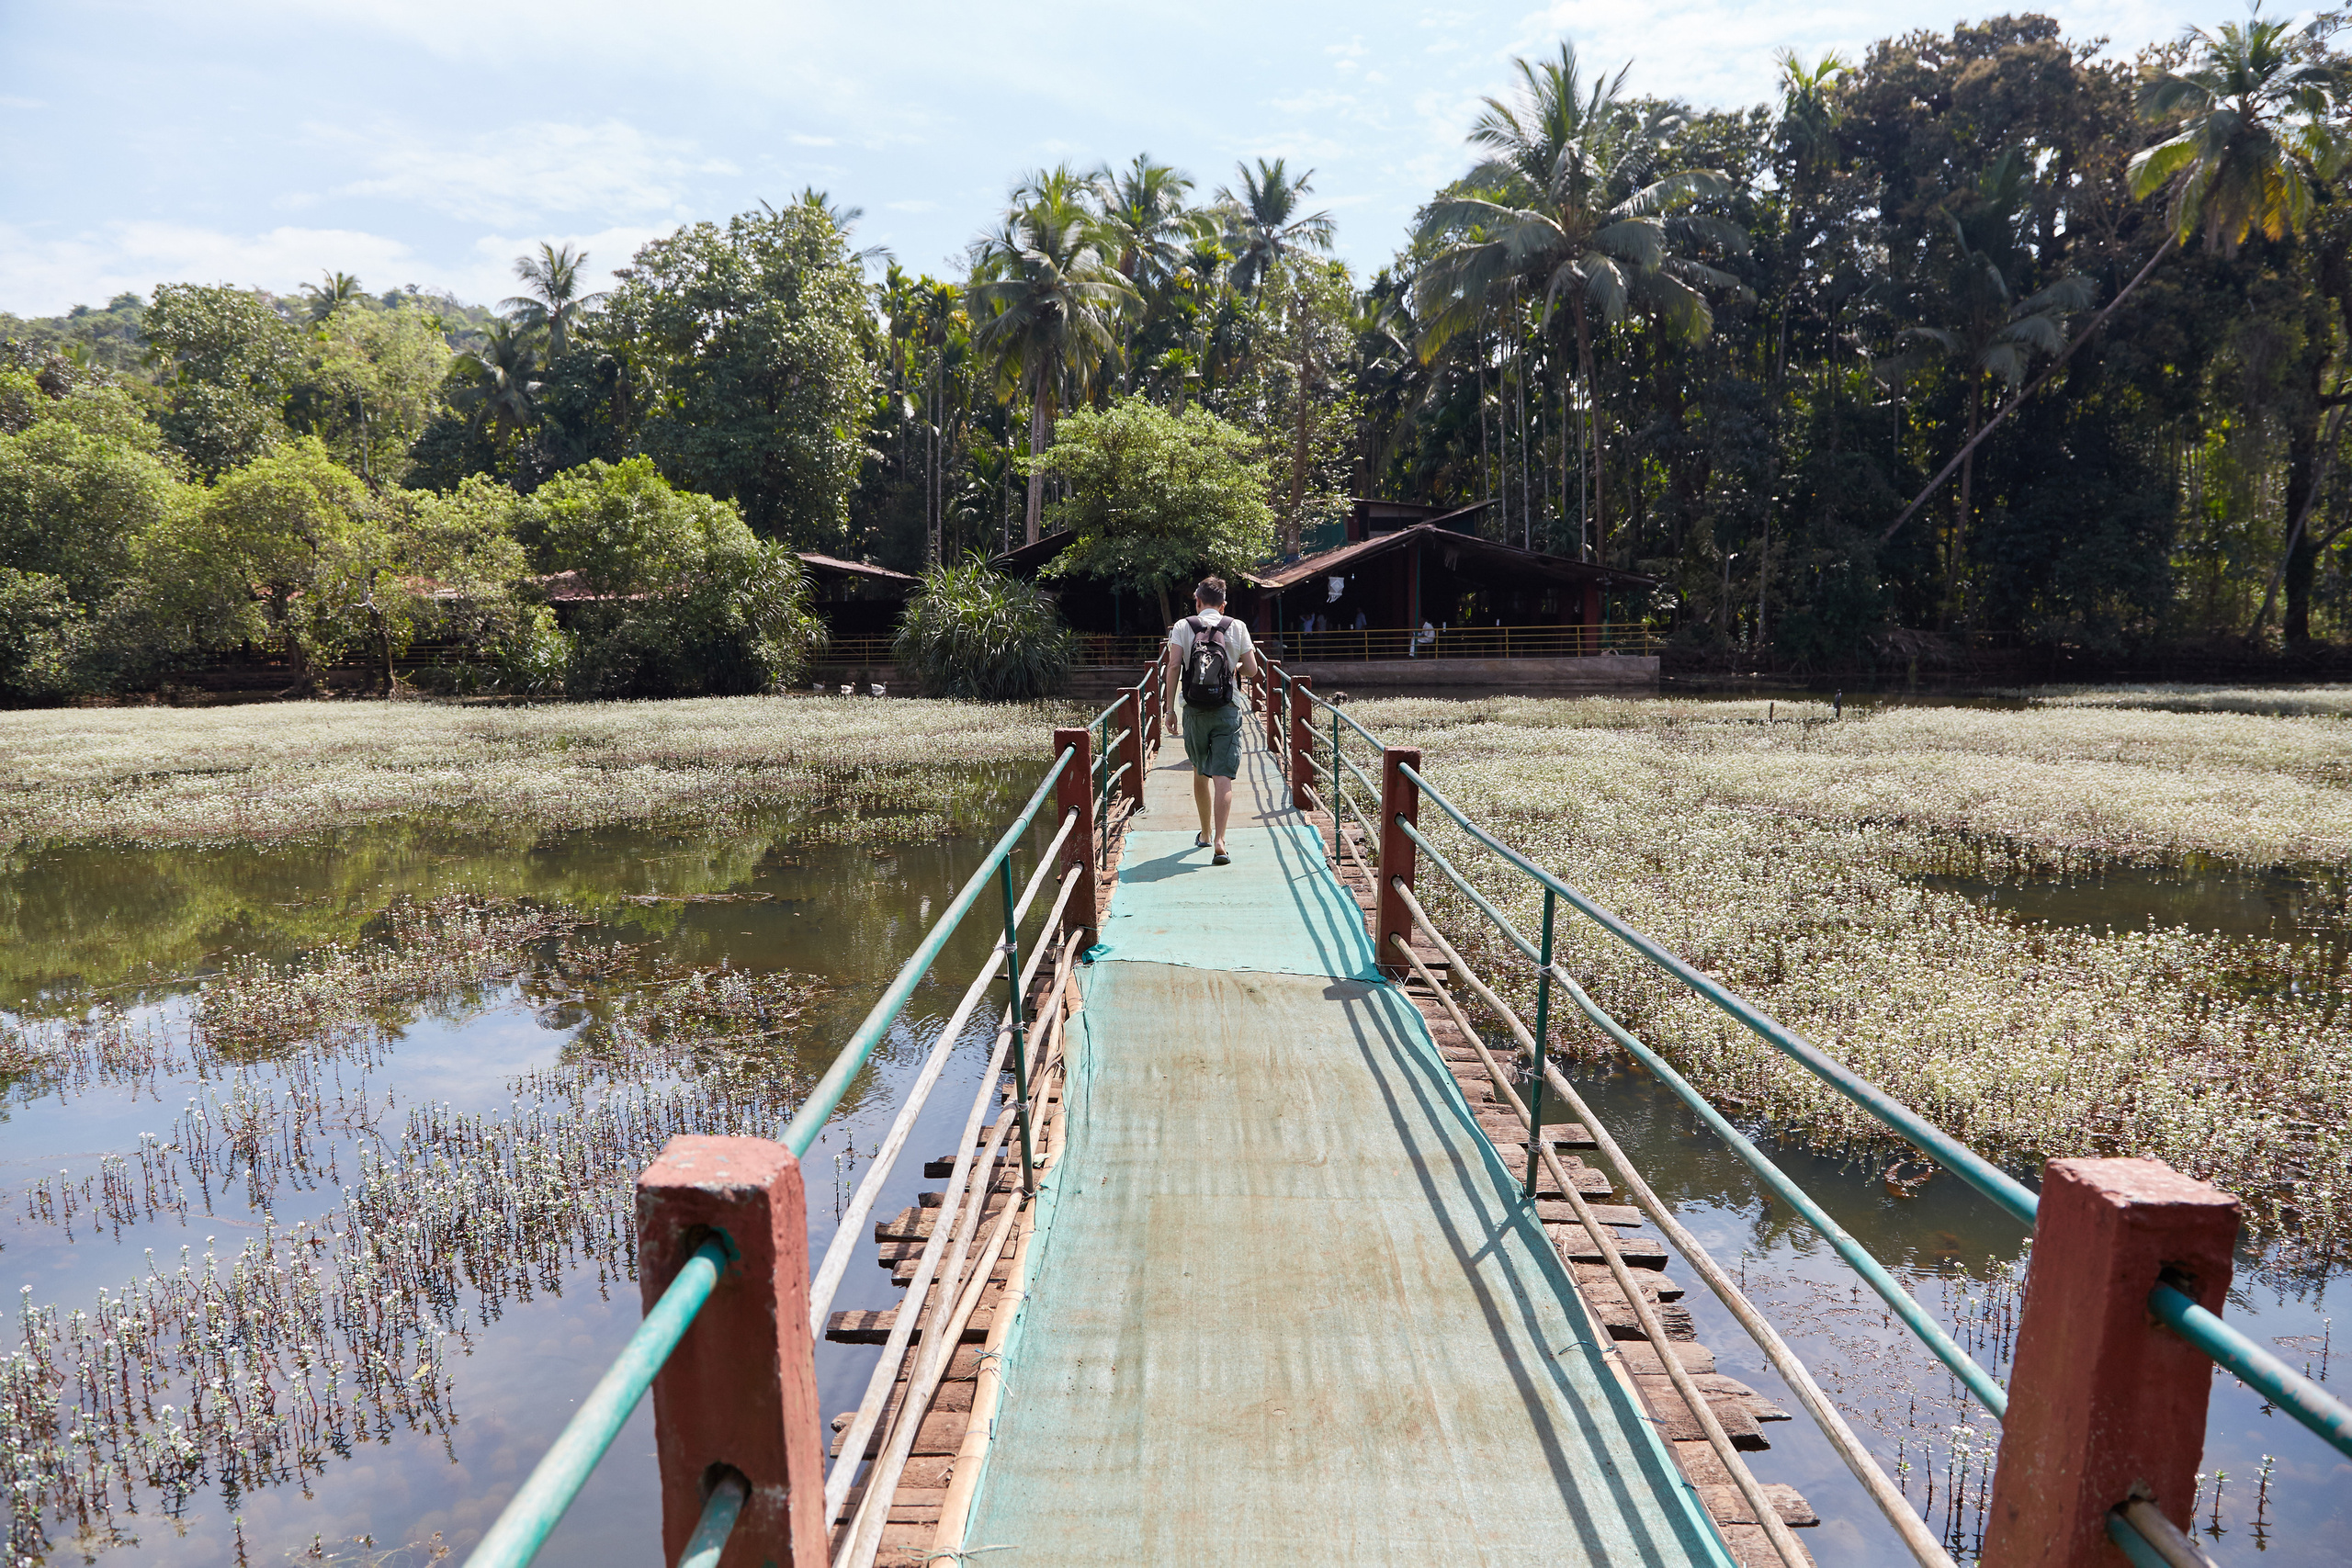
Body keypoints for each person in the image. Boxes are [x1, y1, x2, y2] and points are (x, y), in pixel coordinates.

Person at [1164, 576, 1260, 865]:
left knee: (1199, 770)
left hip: (1193, 709)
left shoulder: (1183, 626)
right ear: (1223, 604)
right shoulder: (1237, 626)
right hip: (1227, 708)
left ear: (1197, 601)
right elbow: (1254, 671)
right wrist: (1237, 666)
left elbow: (1173, 666)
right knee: (1223, 778)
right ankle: (1220, 839)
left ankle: (1204, 833)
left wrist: (1169, 709)